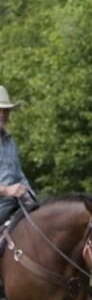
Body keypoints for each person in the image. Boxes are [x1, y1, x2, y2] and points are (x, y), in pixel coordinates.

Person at [0, 86, 35, 225]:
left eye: (6, 110)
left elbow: (19, 175)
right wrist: (6, 190)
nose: (3, 114)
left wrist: (31, 196)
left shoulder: (10, 142)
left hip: (14, 205)